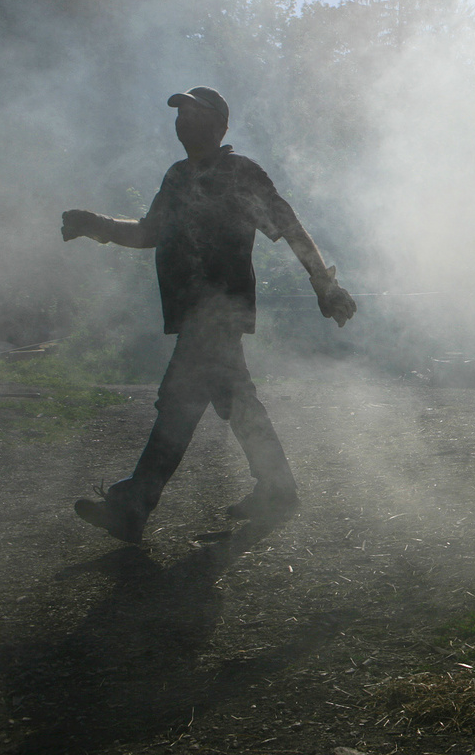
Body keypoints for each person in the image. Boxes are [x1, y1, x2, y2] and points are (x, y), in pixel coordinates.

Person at [62, 86, 357, 543]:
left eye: (194, 114)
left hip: (220, 311)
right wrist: (97, 225)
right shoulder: (177, 177)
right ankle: (277, 489)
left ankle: (135, 504)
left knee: (179, 403)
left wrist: (325, 284)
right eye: (179, 114)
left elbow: (291, 228)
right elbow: (147, 233)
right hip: (192, 310)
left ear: (220, 126)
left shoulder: (241, 174)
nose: (183, 121)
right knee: (235, 401)